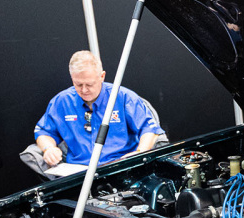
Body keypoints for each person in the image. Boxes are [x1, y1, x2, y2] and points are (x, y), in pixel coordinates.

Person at [25, 51, 165, 177]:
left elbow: (149, 129)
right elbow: (44, 132)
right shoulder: (62, 101)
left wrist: (140, 153)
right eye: (78, 84)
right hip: (77, 172)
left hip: (120, 170)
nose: (84, 90)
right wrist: (49, 148)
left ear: (102, 76)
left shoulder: (123, 97)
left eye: (89, 84)